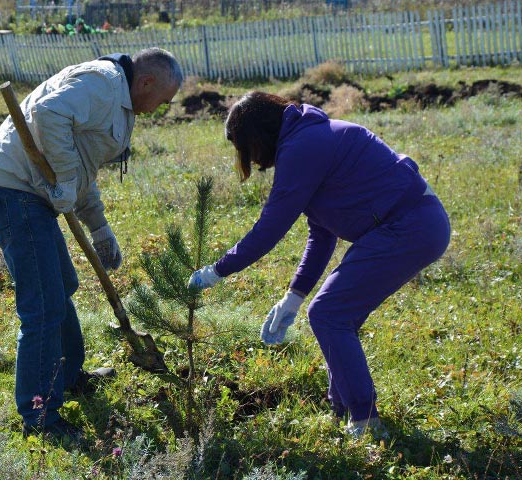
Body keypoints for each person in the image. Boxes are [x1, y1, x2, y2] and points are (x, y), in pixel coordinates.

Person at [189, 91, 450, 437]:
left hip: (408, 225)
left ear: (257, 135)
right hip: (408, 224)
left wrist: (217, 270)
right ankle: (343, 409)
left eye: (244, 147)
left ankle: (366, 422)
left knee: (329, 313)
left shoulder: (303, 146)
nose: (248, 158)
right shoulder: (308, 138)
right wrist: (294, 295)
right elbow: (322, 233)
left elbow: (271, 226)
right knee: (335, 314)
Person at [0, 48, 183, 446]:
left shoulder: (117, 100)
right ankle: (40, 414)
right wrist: (66, 180)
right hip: (12, 190)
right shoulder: (101, 83)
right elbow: (49, 114)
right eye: (164, 100)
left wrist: (99, 226)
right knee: (44, 306)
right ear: (148, 82)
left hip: (31, 193)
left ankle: (68, 377)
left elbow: (80, 166)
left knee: (62, 286)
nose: (161, 108)